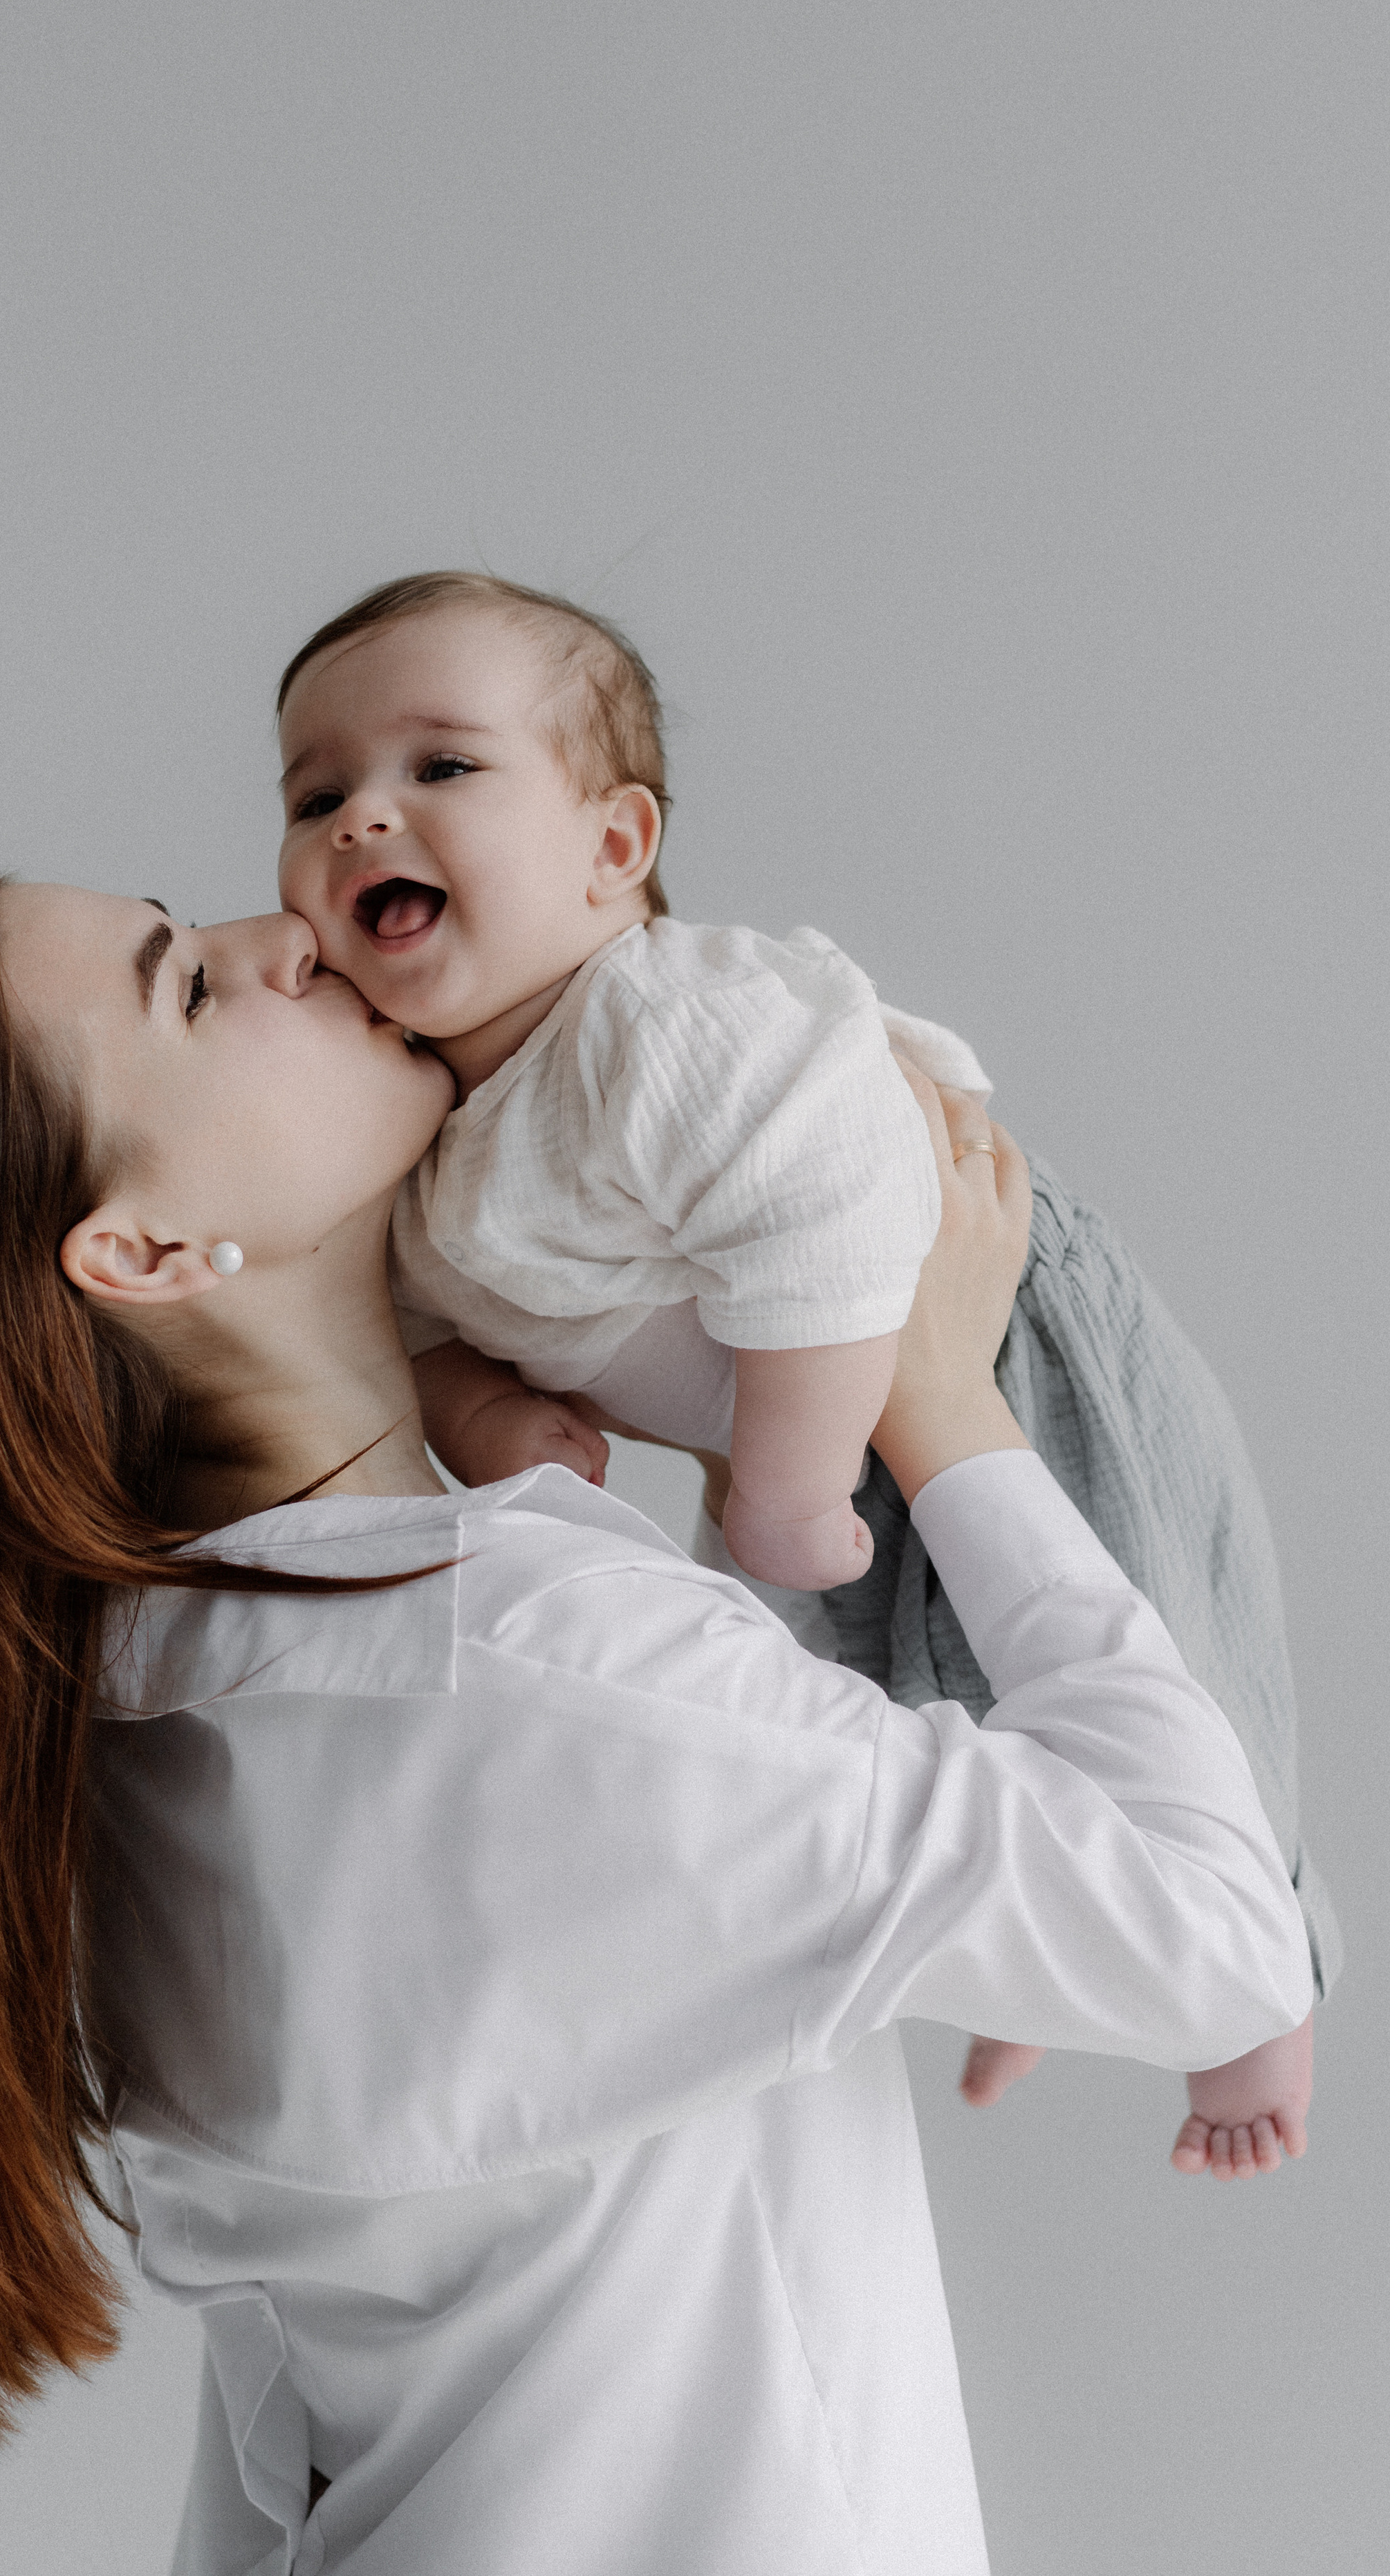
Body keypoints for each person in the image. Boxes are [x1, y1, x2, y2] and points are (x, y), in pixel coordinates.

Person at [0, 874, 1310, 2571]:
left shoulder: (140, 1726)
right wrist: (937, 1409)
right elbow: (1218, 1935)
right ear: (145, 1253)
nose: (282, 932)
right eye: (187, 986)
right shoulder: (512, 1666)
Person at [272, 567, 1335, 2158]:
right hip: (805, 1440)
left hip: (995, 1332)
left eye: (440, 767)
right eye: (315, 793)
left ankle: (1264, 2010)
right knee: (855, 1721)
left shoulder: (659, 1020)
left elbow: (827, 1193)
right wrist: (490, 1414)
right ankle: (1038, 1940)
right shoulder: (417, 1133)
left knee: (1144, 1641)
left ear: (615, 850)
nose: (364, 817)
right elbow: (411, 1330)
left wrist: (778, 1482)